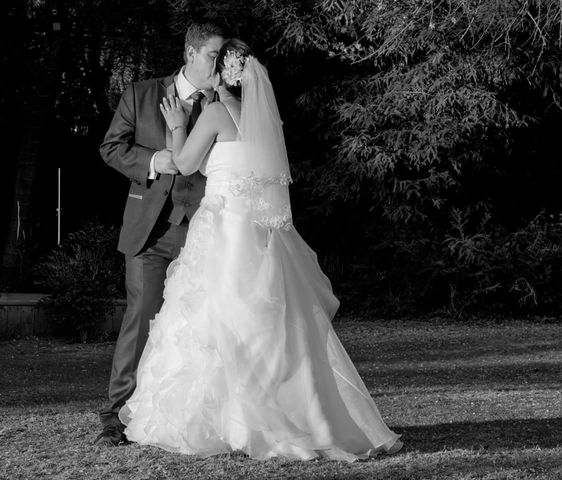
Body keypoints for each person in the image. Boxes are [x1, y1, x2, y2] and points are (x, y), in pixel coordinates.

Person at [118, 38, 402, 461]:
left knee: (214, 323)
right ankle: (284, 417)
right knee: (261, 326)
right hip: (254, 232)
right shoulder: (262, 123)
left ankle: (223, 422)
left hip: (219, 231)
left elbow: (186, 162)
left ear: (225, 75)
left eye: (218, 65)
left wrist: (177, 123)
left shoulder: (214, 112)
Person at [96, 21, 225, 446]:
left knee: (200, 324)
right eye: (213, 55)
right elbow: (111, 147)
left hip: (205, 230)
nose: (220, 64)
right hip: (149, 232)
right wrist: (158, 161)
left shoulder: (228, 102)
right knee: (142, 315)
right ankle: (117, 414)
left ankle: (194, 415)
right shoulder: (142, 93)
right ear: (190, 53)